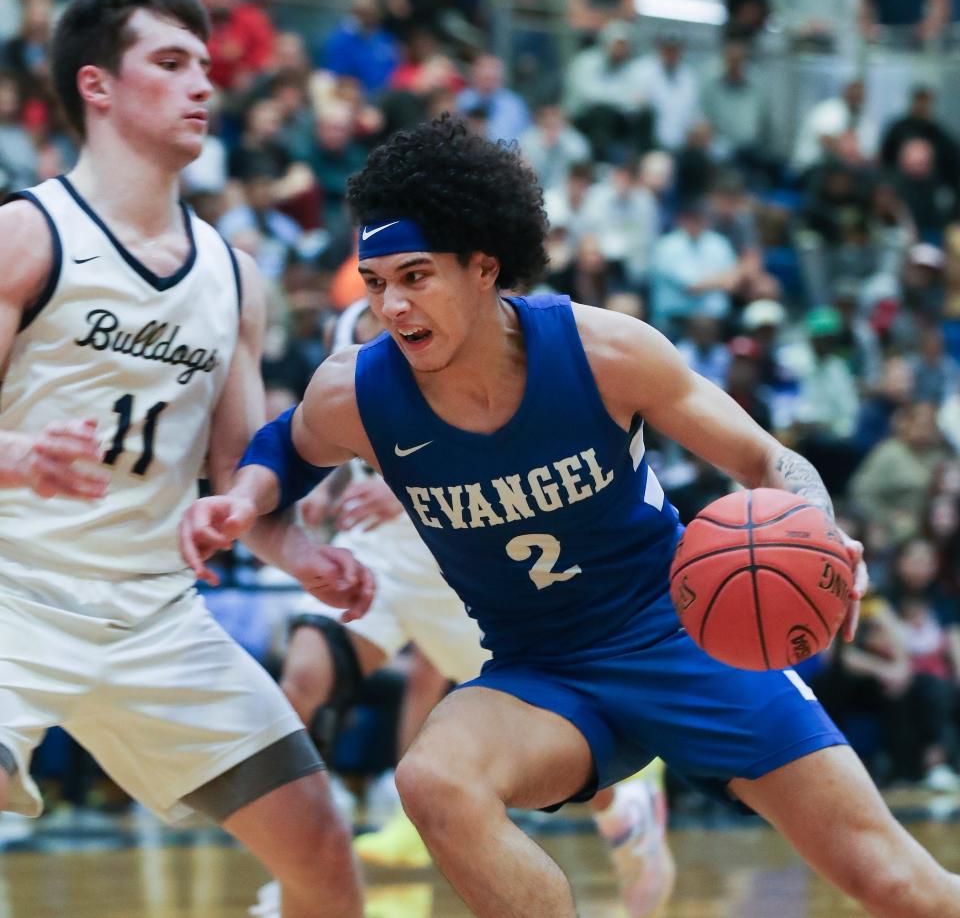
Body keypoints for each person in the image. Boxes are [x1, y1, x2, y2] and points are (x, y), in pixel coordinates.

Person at [181, 116, 960, 918]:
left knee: (903, 888)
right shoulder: (360, 392)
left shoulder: (605, 352)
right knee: (432, 780)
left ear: (485, 266)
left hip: (683, 636)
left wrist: (820, 526)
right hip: (542, 672)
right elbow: (279, 455)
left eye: (416, 276)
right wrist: (254, 515)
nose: (392, 305)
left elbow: (772, 461)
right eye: (375, 283)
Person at [0, 0, 371, 918]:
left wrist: (299, 554)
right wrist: (16, 458)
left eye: (206, 65)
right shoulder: (26, 238)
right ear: (98, 86)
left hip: (155, 618)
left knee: (325, 857)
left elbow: (238, 474)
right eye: (170, 63)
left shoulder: (232, 277)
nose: (203, 84)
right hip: (14, 598)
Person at [252, 298, 676, 917]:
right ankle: (296, 871)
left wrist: (398, 496)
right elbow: (340, 437)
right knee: (304, 678)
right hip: (379, 559)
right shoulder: (354, 347)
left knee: (552, 740)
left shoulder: (489, 340)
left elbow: (485, 446)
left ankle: (628, 813)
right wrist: (322, 495)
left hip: (470, 554)